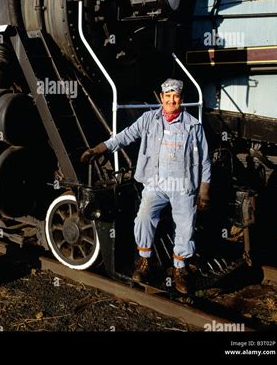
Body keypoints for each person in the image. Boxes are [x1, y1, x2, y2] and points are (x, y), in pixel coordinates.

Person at [81, 78, 211, 294]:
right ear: (161, 98)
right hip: (156, 183)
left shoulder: (193, 126)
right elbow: (125, 136)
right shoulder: (149, 119)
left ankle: (179, 269)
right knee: (143, 218)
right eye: (167, 96)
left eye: (175, 96)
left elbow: (205, 160)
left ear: (181, 99)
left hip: (183, 185)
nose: (171, 100)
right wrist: (100, 148)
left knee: (186, 226)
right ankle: (144, 262)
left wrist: (204, 191)